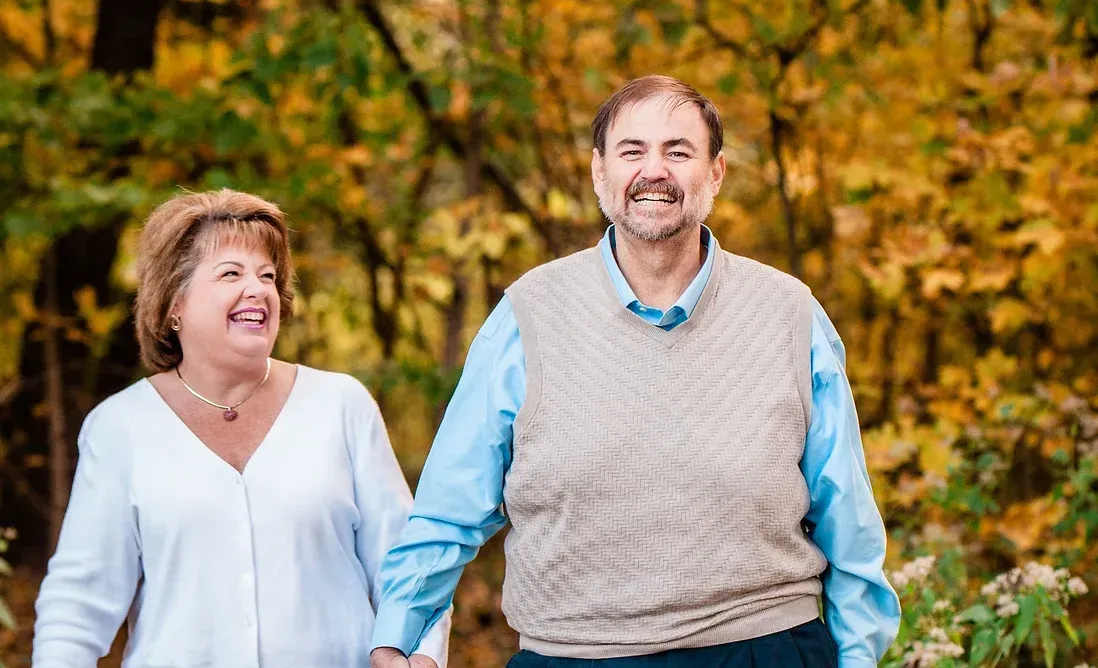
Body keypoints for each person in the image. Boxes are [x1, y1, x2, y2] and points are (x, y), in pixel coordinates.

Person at [369, 76, 900, 668]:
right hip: (571, 655)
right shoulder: (527, 316)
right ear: (600, 172)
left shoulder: (789, 314)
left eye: (679, 151)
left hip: (763, 647)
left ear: (715, 173)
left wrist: (857, 658)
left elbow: (847, 518)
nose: (655, 171)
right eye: (632, 151)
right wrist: (397, 636)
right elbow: (449, 508)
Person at [32, 189, 449, 668]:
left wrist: (421, 656)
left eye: (267, 275)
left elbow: (405, 565)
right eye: (231, 273)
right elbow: (78, 604)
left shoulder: (341, 405)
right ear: (174, 304)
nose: (258, 289)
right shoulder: (120, 427)